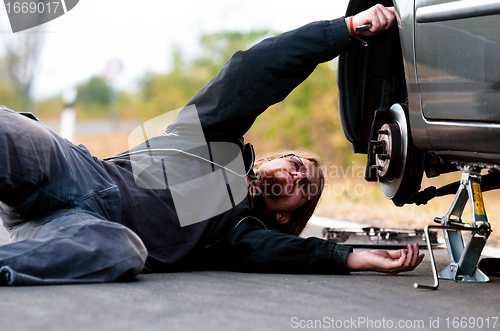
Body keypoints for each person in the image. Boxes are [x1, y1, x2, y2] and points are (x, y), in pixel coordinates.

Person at [0, 4, 423, 286]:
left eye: (305, 186)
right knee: (21, 136)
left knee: (121, 252)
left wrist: (356, 259)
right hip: (75, 175)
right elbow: (255, 70)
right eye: (296, 163)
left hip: (70, 231)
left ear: (284, 218)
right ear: (272, 159)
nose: (297, 174)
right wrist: (344, 31)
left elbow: (291, 254)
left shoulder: (237, 236)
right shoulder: (213, 138)